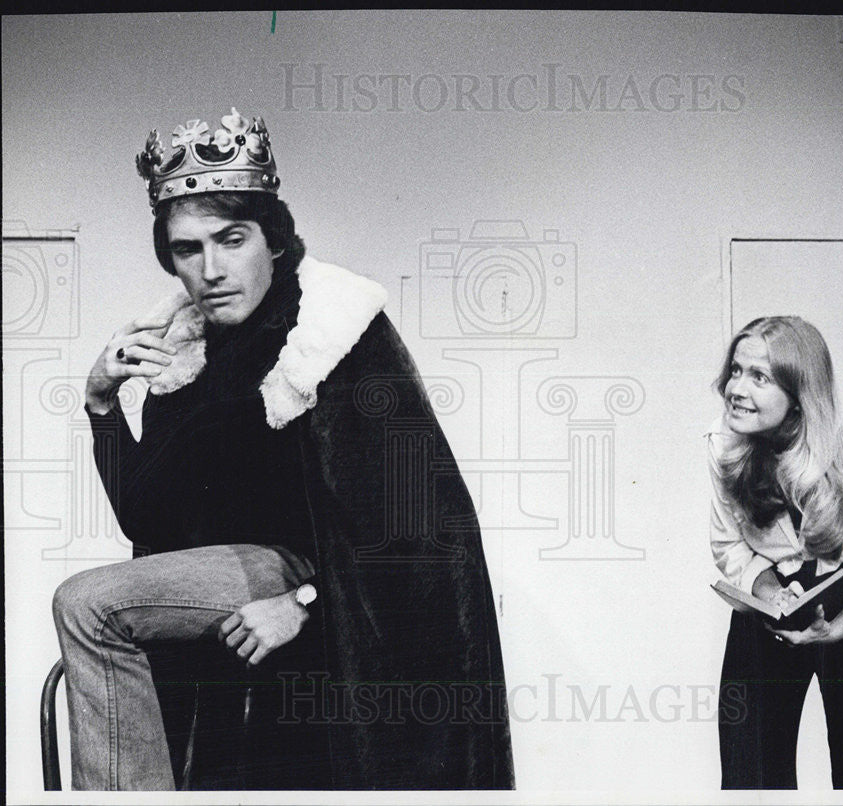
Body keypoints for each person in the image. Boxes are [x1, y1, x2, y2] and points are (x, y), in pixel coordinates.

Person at [51, 108, 514, 790]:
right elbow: (145, 520)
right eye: (188, 249)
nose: (210, 269)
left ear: (272, 240)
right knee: (90, 604)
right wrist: (100, 404)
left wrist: (302, 602)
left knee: (83, 601)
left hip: (313, 577)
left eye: (230, 239)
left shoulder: (334, 335)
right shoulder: (187, 352)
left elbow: (422, 535)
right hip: (225, 580)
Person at [707, 315, 843, 789]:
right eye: (736, 371)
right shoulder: (723, 442)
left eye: (759, 377)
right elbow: (728, 545)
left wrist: (838, 627)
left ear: (801, 395)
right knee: (750, 771)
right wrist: (768, 592)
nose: (736, 389)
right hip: (771, 596)